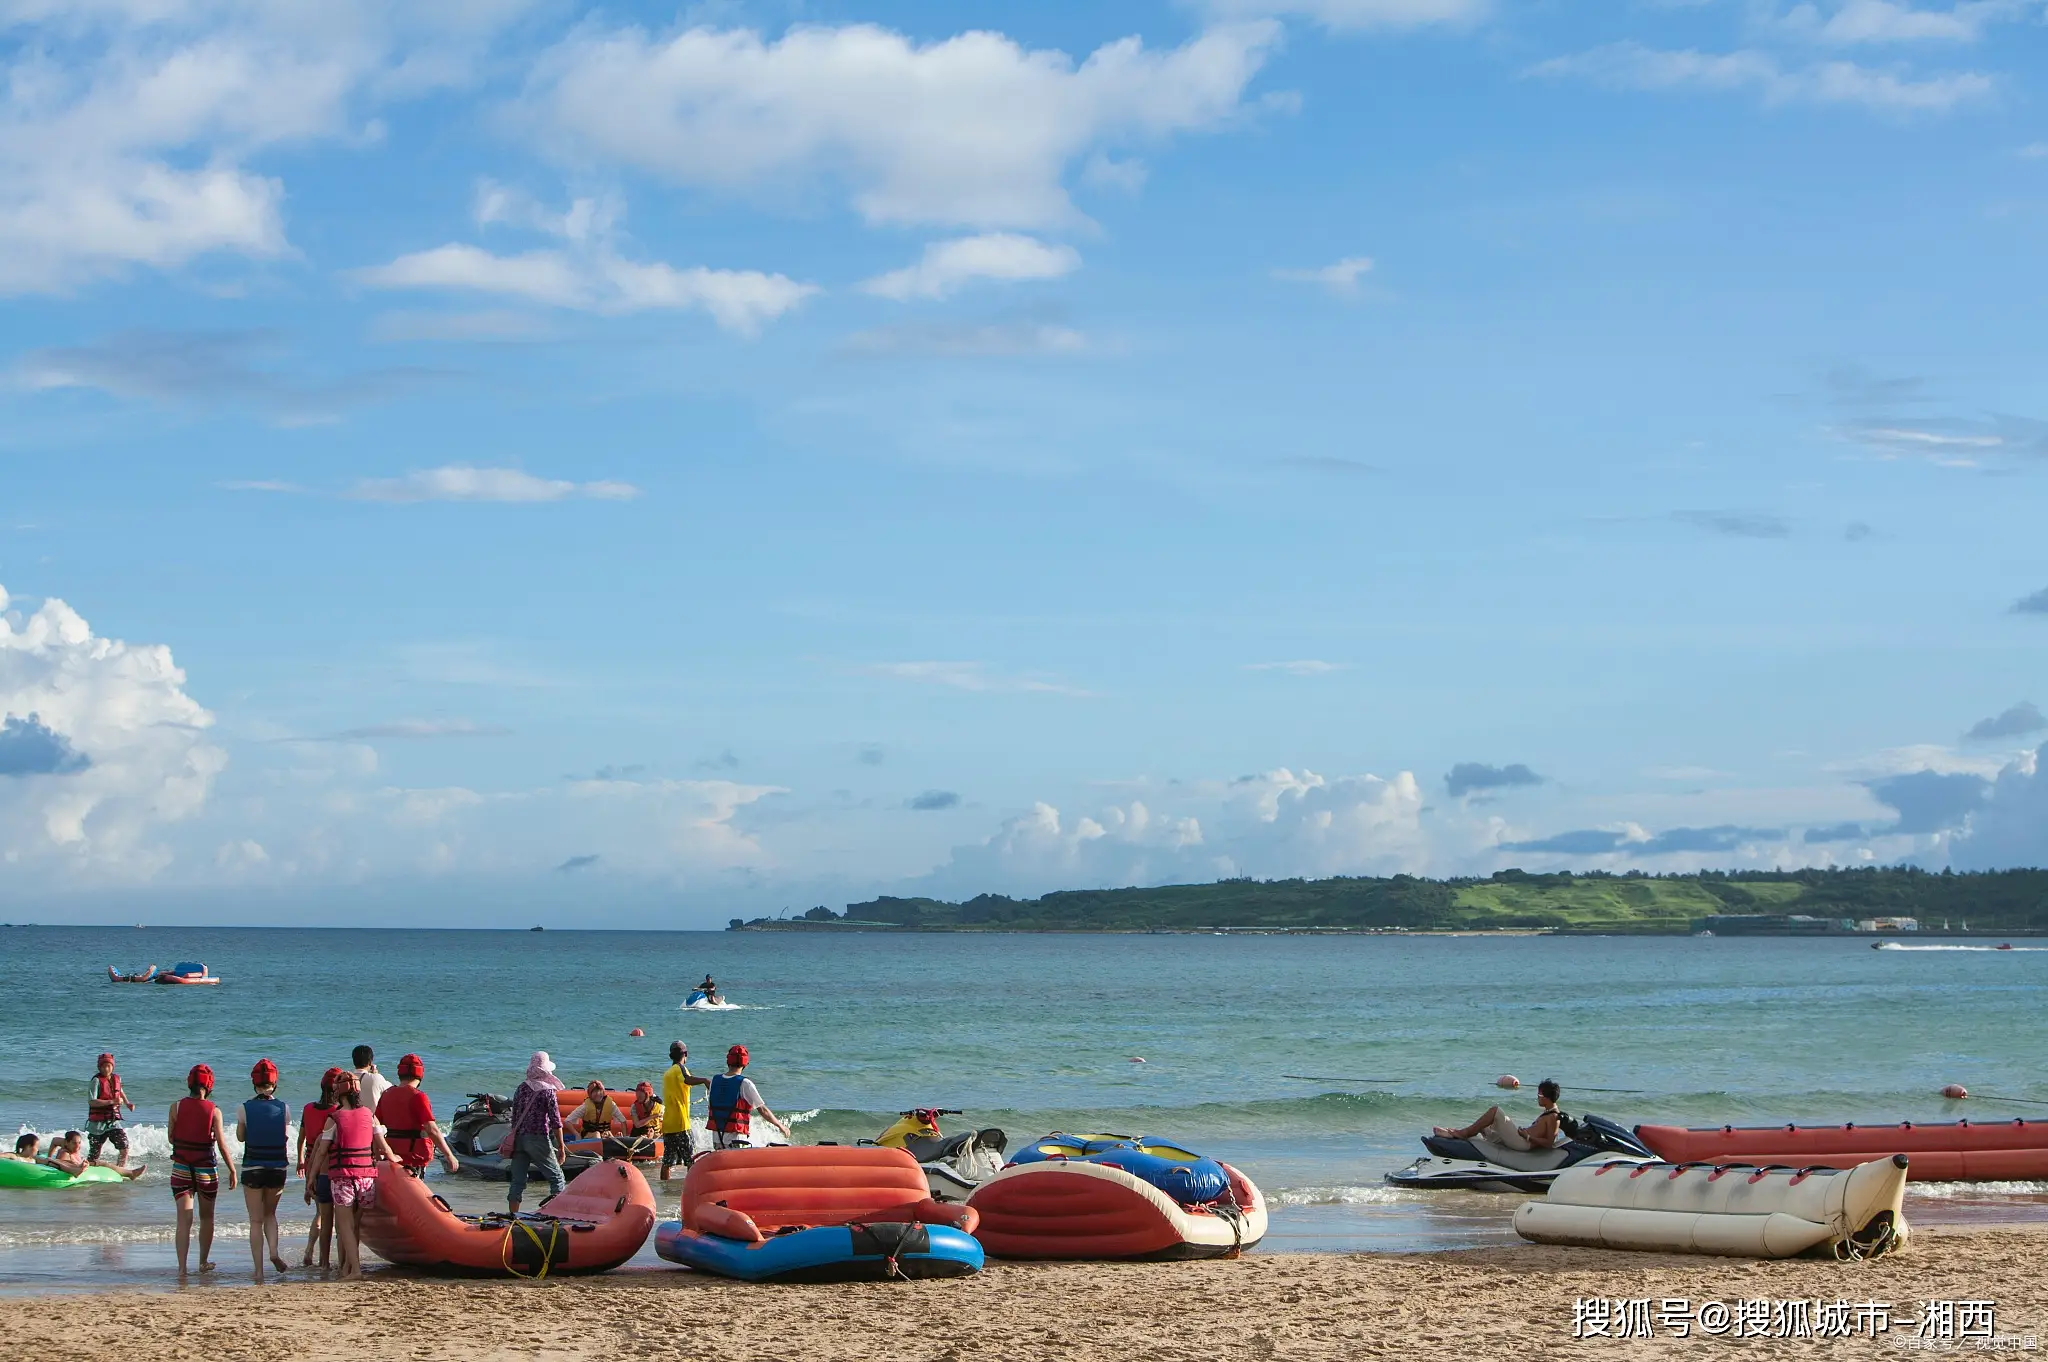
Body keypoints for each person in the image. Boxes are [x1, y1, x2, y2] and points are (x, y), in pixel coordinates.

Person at [307, 1071, 394, 1281]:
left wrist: (311, 1177)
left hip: (343, 1178)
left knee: (344, 1225)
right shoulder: (369, 1115)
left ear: (339, 1092)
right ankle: (347, 1266)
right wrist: (395, 1158)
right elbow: (383, 1146)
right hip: (366, 1177)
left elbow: (321, 1152)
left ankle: (354, 1270)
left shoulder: (334, 1119)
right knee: (355, 1224)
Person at [168, 1064, 238, 1279]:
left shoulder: (176, 1107)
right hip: (206, 1169)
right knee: (207, 1217)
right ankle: (202, 1262)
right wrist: (232, 1170)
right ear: (209, 1086)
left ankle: (181, 1268)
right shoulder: (214, 1110)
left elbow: (171, 1138)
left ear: (190, 1082)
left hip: (181, 1169)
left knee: (183, 1220)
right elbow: (222, 1144)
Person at [237, 1059, 292, 1282]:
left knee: (255, 1221)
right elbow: (284, 1134)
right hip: (278, 1167)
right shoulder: (284, 1108)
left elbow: (241, 1137)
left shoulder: (244, 1108)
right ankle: (274, 1253)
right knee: (270, 1215)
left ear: (255, 1084)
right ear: (274, 1083)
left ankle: (259, 1272)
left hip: (253, 1168)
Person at [375, 1053, 460, 1178]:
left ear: (400, 1073)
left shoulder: (386, 1094)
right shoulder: (418, 1097)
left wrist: (378, 1153)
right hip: (413, 1158)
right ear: (420, 1074)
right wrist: (449, 1155)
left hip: (392, 1157)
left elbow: (375, 1123)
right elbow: (432, 1129)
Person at [505, 1051, 567, 1216]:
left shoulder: (521, 1088)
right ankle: (556, 1216)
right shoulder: (548, 1091)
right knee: (557, 1178)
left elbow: (515, 1116)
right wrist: (561, 1147)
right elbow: (555, 1121)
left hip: (518, 1138)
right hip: (538, 1137)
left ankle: (513, 1217)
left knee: (517, 1181)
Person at [1434, 1078, 1564, 1152]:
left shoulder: (1553, 1117)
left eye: (1539, 1095)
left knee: (1496, 1111)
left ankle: (1464, 1133)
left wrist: (1528, 1136)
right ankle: (1459, 1136)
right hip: (1521, 1138)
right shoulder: (1548, 1113)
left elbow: (1549, 1143)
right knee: (1486, 1125)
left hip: (1523, 1143)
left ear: (1547, 1097)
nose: (1537, 1098)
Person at [297, 1067, 343, 1269]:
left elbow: (301, 1138)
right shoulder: (337, 1113)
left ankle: (309, 1250)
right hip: (328, 1165)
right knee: (332, 1215)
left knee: (319, 1213)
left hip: (310, 1162)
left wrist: (300, 1161)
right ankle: (330, 1258)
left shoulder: (308, 1108)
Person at [707, 1045, 789, 1150]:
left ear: (728, 1061)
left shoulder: (715, 1080)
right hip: (736, 1140)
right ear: (746, 1063)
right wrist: (780, 1126)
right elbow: (762, 1110)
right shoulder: (745, 1083)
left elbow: (711, 1106)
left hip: (717, 1139)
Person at [659, 1040, 710, 1181]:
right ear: (685, 1054)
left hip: (668, 1125)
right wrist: (705, 1080)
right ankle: (692, 1189)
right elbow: (687, 1079)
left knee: (667, 1162)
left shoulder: (667, 1073)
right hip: (681, 1124)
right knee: (691, 1160)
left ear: (670, 1056)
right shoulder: (680, 1068)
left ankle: (665, 1189)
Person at [86, 1051, 135, 1168]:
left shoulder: (116, 1079)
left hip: (113, 1121)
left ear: (112, 1066)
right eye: (103, 1066)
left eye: (108, 1066)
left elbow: (120, 1091)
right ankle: (87, 1169)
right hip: (97, 1124)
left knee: (124, 1147)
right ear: (99, 1067)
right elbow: (92, 1101)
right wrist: (112, 1101)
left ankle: (120, 1170)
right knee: (94, 1155)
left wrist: (127, 1103)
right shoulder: (96, 1081)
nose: (106, 1069)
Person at [43, 1129, 145, 1181]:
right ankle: (130, 1173)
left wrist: (49, 1156)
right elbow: (62, 1164)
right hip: (79, 1166)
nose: (77, 1146)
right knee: (102, 1163)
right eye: (74, 1143)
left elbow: (54, 1140)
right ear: (67, 1142)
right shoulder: (64, 1153)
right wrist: (51, 1159)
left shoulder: (64, 1143)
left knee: (101, 1162)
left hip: (81, 1163)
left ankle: (127, 1172)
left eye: (79, 1143)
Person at [351, 1045, 392, 1129]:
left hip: (352, 1124)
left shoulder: (347, 1078)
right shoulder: (375, 1078)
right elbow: (392, 1089)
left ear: (354, 1061)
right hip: (372, 1126)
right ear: (370, 1062)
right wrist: (376, 1075)